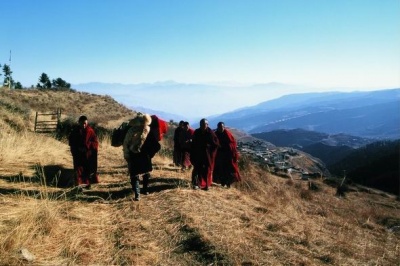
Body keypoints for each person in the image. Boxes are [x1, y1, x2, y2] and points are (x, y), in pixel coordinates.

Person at [123, 113, 162, 201]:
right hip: (145, 156)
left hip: (134, 155)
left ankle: (137, 194)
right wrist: (150, 154)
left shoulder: (131, 130)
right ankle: (144, 190)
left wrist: (127, 155)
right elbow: (157, 146)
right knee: (145, 173)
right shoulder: (149, 131)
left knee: (135, 175)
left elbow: (126, 144)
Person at [68, 115, 99, 189]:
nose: (84, 125)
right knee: (79, 169)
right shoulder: (75, 131)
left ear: (87, 122)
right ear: (79, 123)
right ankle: (79, 184)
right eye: (82, 123)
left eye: (85, 123)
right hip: (78, 154)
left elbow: (95, 142)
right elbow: (71, 142)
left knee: (88, 169)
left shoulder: (90, 131)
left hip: (88, 155)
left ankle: (88, 184)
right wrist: (78, 148)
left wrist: (87, 147)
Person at [190, 118, 220, 190]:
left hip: (207, 155)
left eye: (205, 124)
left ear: (207, 125)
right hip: (198, 154)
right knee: (196, 169)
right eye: (202, 124)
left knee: (206, 170)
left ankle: (206, 185)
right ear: (200, 125)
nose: (203, 126)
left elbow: (216, 144)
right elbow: (193, 143)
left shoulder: (210, 133)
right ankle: (195, 184)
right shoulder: (197, 132)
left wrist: (208, 148)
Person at [213, 122, 241, 188]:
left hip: (227, 155)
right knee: (220, 170)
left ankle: (228, 183)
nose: (220, 128)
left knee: (229, 170)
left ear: (224, 127)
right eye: (219, 127)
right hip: (219, 155)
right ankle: (222, 182)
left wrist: (228, 146)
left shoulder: (227, 134)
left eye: (222, 127)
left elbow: (233, 143)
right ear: (217, 127)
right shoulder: (215, 134)